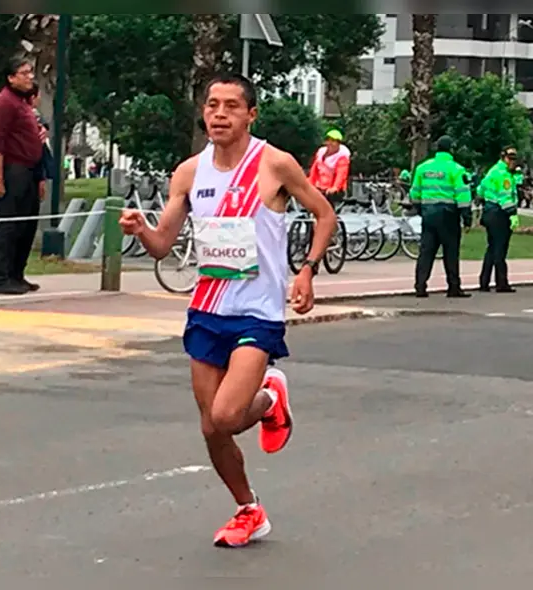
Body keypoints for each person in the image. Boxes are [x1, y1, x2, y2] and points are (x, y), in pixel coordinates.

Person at [119, 73, 337, 548]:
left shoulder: (274, 164)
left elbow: (325, 214)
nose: (219, 114)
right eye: (213, 105)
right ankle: (248, 509)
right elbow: (162, 245)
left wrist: (307, 270)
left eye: (231, 106)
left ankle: (270, 398)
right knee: (209, 426)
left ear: (250, 114)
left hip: (257, 310)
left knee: (225, 415)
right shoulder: (190, 173)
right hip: (207, 308)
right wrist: (141, 230)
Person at [0, 56, 46, 295]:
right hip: (15, 168)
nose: (29, 77)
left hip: (31, 168)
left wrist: (41, 177)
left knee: (27, 223)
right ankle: (0, 277)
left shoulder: (24, 103)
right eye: (24, 73)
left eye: (30, 72)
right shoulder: (5, 102)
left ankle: (16, 274)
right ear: (11, 78)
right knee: (9, 223)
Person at [408, 135, 472, 298]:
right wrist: (466, 216)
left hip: (428, 213)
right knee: (451, 251)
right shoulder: (456, 169)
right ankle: (453, 287)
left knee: (426, 251)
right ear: (450, 150)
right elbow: (462, 193)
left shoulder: (423, 168)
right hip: (448, 214)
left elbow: (415, 191)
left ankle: (420, 286)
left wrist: (419, 207)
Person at [478, 148, 519, 293]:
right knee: (500, 249)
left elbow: (480, 190)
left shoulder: (493, 171)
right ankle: (501, 283)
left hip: (489, 211)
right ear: (505, 158)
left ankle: (484, 282)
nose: (513, 162)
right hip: (500, 214)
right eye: (511, 159)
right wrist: (512, 214)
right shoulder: (504, 175)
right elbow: (505, 197)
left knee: (491, 248)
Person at [308, 129, 351, 207]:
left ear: (338, 143)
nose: (330, 143)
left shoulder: (342, 157)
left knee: (328, 202)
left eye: (334, 141)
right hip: (320, 186)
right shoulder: (321, 153)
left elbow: (341, 174)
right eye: (329, 140)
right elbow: (314, 170)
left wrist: (335, 187)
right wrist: (310, 183)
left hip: (334, 189)